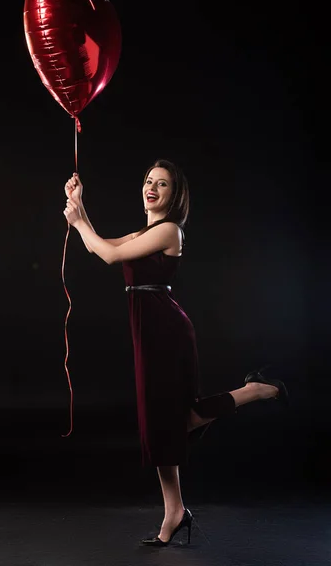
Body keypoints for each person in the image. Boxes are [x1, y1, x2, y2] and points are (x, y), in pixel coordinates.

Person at [63, 159, 288, 547]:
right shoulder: (144, 232)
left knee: (167, 422)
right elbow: (99, 246)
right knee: (167, 422)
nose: (152, 187)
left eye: (162, 184)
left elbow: (111, 256)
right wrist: (78, 207)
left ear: (174, 194)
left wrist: (81, 223)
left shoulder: (169, 231)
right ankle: (175, 511)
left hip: (165, 333)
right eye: (149, 180)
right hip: (146, 331)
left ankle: (257, 391)